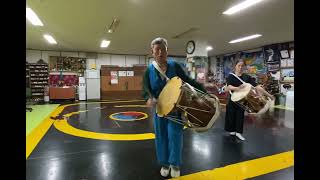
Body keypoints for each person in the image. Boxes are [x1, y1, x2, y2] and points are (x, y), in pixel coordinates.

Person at [142, 37, 206, 178]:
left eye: (163, 50)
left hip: (176, 110)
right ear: (152, 52)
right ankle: (165, 164)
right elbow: (145, 89)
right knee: (161, 137)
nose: (160, 53)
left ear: (167, 51)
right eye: (157, 50)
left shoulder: (175, 66)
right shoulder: (148, 71)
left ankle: (175, 164)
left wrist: (202, 89)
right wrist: (148, 98)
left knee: (175, 136)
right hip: (159, 111)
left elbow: (187, 80)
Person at [224, 59, 274, 141]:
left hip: (242, 100)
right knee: (231, 115)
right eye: (238, 66)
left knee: (240, 116)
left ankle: (238, 133)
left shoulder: (246, 77)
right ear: (235, 66)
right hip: (232, 99)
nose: (240, 67)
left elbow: (257, 86)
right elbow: (228, 87)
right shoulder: (231, 76)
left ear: (244, 67)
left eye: (242, 66)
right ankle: (232, 130)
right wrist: (238, 88)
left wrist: (269, 95)